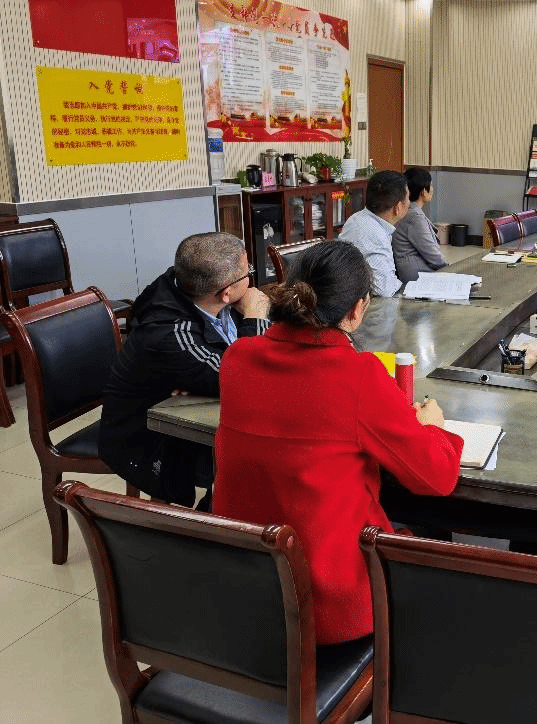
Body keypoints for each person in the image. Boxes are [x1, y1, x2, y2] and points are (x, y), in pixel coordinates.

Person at [213, 240, 463, 645]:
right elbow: (436, 477)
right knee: (433, 539)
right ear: (357, 309)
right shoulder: (359, 374)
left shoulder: (237, 357)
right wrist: (434, 426)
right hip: (327, 608)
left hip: (244, 589)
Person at [99, 232, 270, 507]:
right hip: (149, 434)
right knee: (257, 450)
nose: (251, 278)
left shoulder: (196, 287)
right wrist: (256, 318)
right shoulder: (169, 332)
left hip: (187, 407)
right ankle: (213, 520)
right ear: (226, 293)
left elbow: (230, 370)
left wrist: (203, 377)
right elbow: (246, 378)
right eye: (247, 272)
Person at [339, 170, 409, 297]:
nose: (409, 203)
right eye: (408, 198)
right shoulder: (376, 234)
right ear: (398, 208)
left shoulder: (356, 218)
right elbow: (384, 290)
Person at [392, 167, 447, 283]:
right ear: (423, 191)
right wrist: (451, 269)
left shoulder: (408, 211)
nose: (432, 189)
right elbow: (432, 255)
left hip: (412, 272)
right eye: (430, 185)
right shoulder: (414, 217)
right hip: (418, 276)